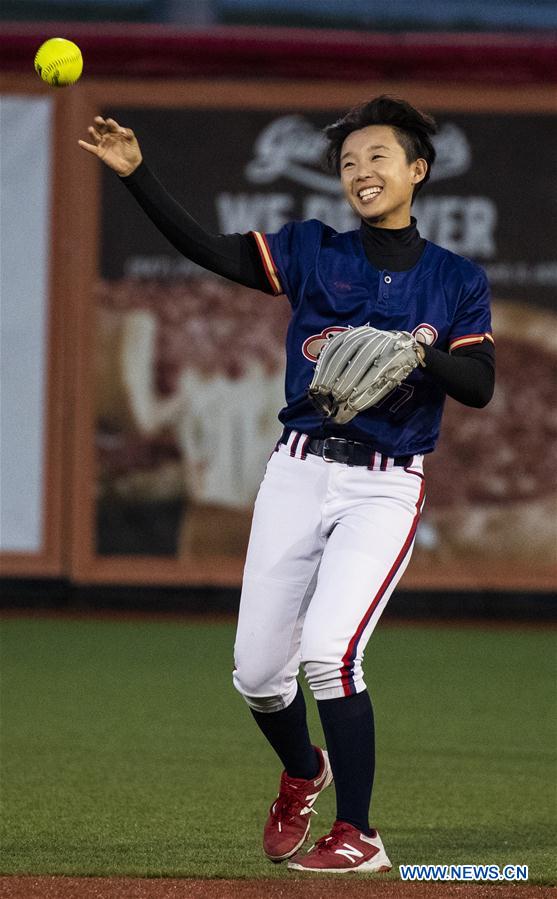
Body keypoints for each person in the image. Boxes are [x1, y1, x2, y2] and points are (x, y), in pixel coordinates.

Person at [79, 96, 495, 874]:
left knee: (330, 651)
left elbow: (478, 384)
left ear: (416, 170)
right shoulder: (312, 250)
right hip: (297, 470)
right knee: (256, 673)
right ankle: (303, 769)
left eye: (376, 157)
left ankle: (359, 834)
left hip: (382, 486)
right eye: (346, 162)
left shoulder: (455, 280)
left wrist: (417, 355)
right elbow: (210, 250)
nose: (359, 171)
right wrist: (138, 177)